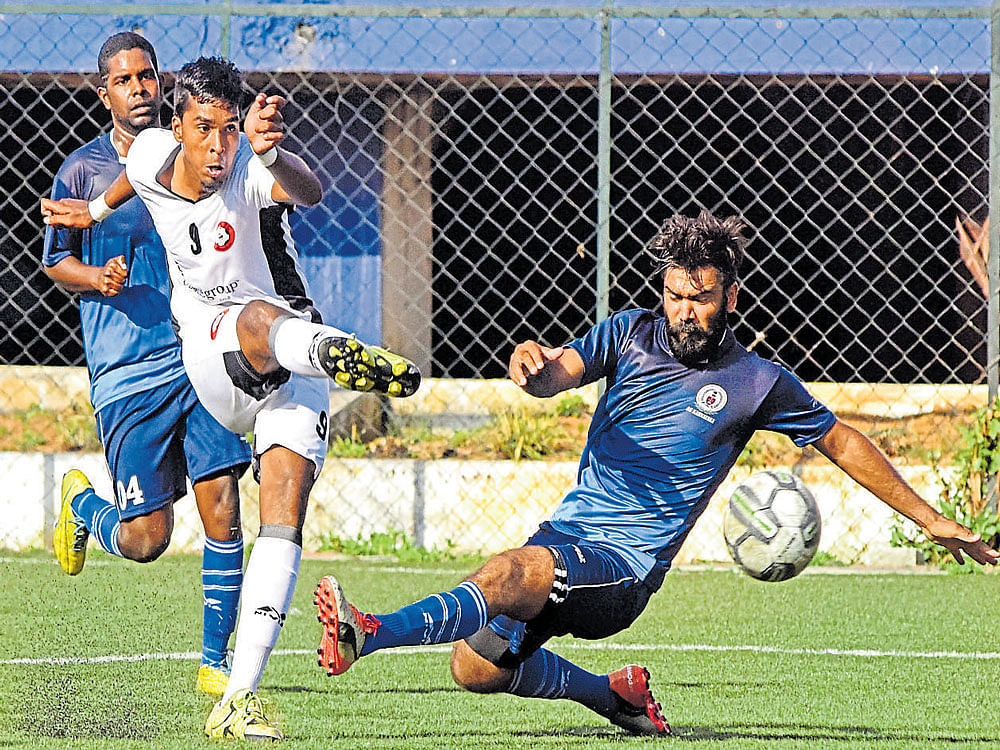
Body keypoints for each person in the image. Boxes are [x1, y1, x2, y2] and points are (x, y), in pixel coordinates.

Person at [311, 211, 999, 737]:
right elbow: (558, 373)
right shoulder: (629, 334)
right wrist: (532, 367)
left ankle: (368, 633)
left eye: (699, 297)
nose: (684, 311)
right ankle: (613, 696)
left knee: (508, 573)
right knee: (476, 667)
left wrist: (930, 518)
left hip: (624, 569)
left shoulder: (756, 381)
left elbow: (842, 440)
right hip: (567, 536)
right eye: (674, 295)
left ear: (731, 295)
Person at [42, 55, 420, 742]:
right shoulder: (156, 151)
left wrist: (275, 150)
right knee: (252, 323)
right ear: (179, 125)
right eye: (205, 130)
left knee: (282, 512)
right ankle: (334, 346)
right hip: (216, 354)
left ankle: (237, 695)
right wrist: (93, 209)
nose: (218, 148)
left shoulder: (250, 165)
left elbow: (308, 190)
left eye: (229, 131)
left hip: (292, 373)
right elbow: (135, 174)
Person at [41, 32, 252, 698]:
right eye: (124, 80)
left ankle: (216, 667)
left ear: (164, 85)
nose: (138, 88)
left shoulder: (197, 156)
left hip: (198, 354)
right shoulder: (80, 172)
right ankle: (84, 507)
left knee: (222, 503)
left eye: (147, 77)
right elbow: (53, 263)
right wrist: (92, 278)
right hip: (126, 373)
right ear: (102, 91)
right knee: (146, 539)